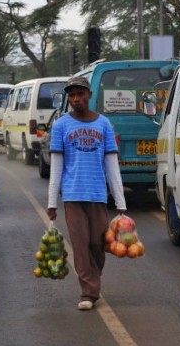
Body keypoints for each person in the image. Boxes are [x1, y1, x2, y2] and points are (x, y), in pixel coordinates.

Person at [46, 76, 126, 311]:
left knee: (97, 244)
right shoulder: (61, 126)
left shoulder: (104, 125)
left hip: (98, 195)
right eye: (71, 95)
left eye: (80, 94)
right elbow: (56, 167)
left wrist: (120, 201)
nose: (76, 99)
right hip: (72, 195)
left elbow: (112, 165)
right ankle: (88, 292)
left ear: (89, 95)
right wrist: (52, 202)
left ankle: (93, 279)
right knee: (80, 244)